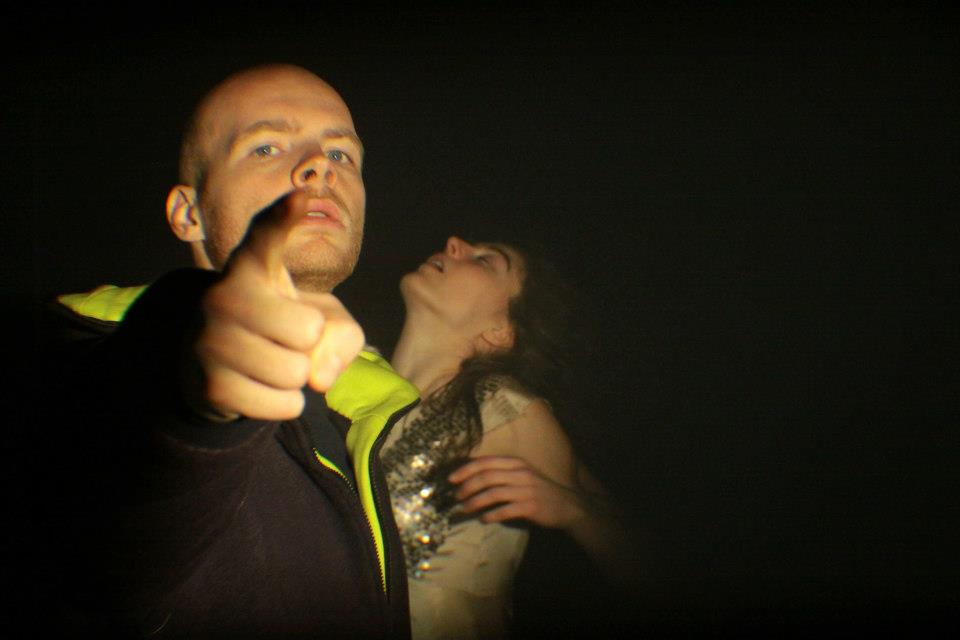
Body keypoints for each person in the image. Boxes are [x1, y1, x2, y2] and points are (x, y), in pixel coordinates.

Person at [35, 64, 417, 638]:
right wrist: (192, 397)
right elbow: (93, 536)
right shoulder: (70, 356)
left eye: (341, 154)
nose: (320, 165)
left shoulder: (372, 406)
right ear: (189, 214)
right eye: (266, 147)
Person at [380, 236, 632, 639]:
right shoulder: (353, 391)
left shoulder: (503, 410)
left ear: (500, 331)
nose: (454, 242)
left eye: (485, 261)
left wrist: (574, 509)